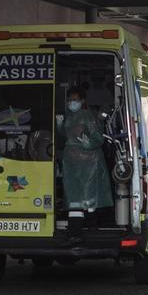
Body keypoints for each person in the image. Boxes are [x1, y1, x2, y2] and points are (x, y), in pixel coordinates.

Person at [56, 86, 112, 235]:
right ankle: (75, 228)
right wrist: (59, 125)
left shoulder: (88, 116)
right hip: (71, 162)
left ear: (82, 101)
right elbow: (63, 137)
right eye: (69, 100)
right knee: (73, 195)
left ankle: (88, 226)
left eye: (74, 100)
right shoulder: (67, 116)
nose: (71, 103)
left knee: (88, 195)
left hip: (89, 162)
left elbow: (98, 138)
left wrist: (88, 143)